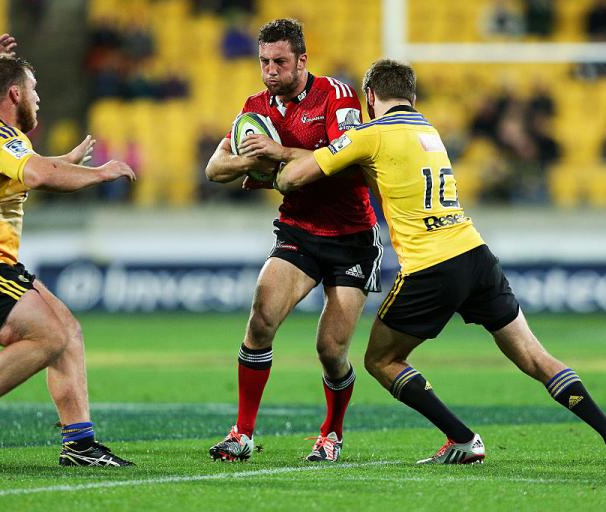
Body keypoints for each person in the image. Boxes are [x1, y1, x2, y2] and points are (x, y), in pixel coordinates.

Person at [250, 59, 606, 464]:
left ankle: (462, 438)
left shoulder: (369, 134)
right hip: (476, 254)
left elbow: (294, 178)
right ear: (412, 97)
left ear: (369, 98)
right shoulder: (429, 129)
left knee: (380, 360)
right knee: (536, 358)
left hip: (431, 266)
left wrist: (271, 161)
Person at [205, 19, 382, 462]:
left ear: (302, 60)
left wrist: (278, 155)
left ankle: (332, 434)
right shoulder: (255, 108)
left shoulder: (337, 96)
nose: (270, 71)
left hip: (351, 238)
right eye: (264, 61)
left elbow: (347, 162)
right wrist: (251, 162)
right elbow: (214, 169)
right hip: (298, 231)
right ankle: (241, 433)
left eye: (280, 62)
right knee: (261, 319)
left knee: (330, 350)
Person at [0, 54, 136, 468]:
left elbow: (30, 170)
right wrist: (100, 174)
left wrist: (64, 162)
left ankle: (79, 445)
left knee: (67, 329)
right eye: (33, 89)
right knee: (49, 336)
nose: (38, 98)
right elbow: (37, 175)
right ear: (14, 93)